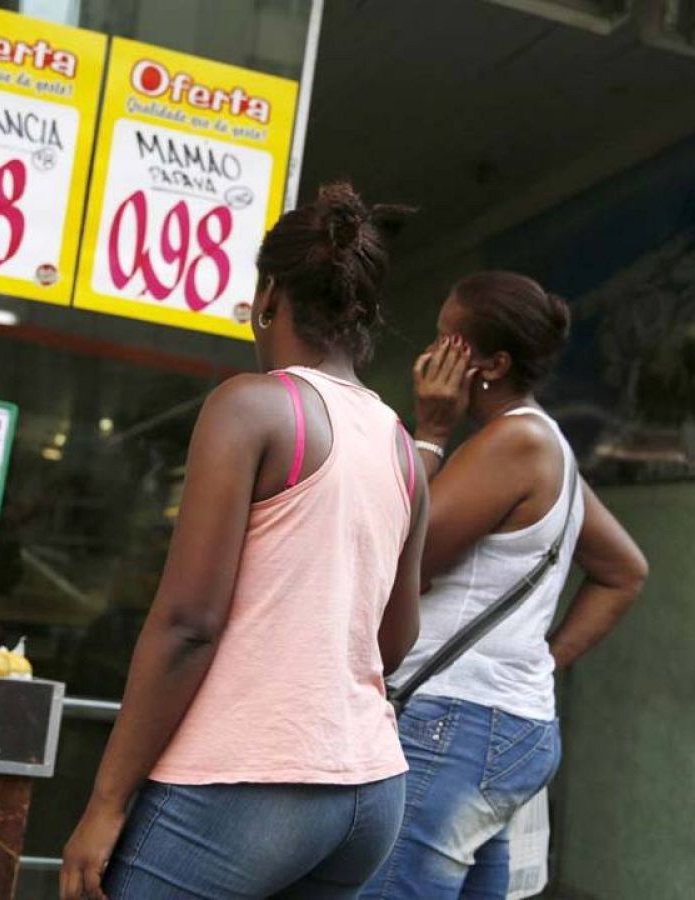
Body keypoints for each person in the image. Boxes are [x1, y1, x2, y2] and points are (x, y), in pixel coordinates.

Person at [59, 182, 427, 900]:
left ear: (266, 298)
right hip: (368, 791)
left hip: (247, 787)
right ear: (365, 314)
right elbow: (396, 638)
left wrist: (105, 803)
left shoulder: (253, 408)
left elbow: (188, 624)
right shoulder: (402, 447)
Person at [363, 271, 648, 899]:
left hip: (454, 724)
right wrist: (537, 663)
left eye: (446, 340)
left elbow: (398, 564)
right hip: (501, 725)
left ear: (492, 363)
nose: (428, 356)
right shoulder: (546, 444)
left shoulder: (513, 443)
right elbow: (624, 571)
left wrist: (432, 431)